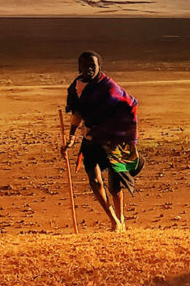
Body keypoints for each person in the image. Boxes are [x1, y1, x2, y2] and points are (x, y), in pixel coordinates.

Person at [61, 51, 143, 232]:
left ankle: (121, 218)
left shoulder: (108, 87)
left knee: (115, 185)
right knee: (95, 181)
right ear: (79, 67)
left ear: (100, 67)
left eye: (93, 65)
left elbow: (129, 105)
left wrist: (126, 135)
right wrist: (72, 137)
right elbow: (77, 114)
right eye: (85, 65)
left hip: (113, 141)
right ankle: (114, 221)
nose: (89, 69)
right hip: (90, 140)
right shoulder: (76, 88)